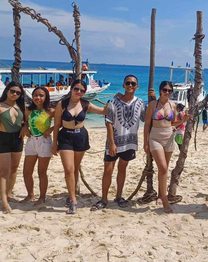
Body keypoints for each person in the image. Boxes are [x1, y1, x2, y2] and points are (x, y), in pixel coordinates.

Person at [91, 75, 152, 211]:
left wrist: (153, 100)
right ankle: (104, 198)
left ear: (137, 86)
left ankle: (119, 196)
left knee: (122, 169)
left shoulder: (141, 103)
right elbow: (109, 122)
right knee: (108, 170)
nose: (130, 85)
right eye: (128, 83)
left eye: (133, 83)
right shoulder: (114, 102)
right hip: (115, 142)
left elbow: (146, 118)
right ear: (123, 85)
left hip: (130, 142)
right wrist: (112, 143)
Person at [51, 80, 107, 214]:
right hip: (65, 137)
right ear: (71, 89)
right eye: (76, 89)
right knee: (69, 169)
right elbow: (57, 125)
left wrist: (114, 101)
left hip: (80, 136)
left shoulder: (86, 104)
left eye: (82, 90)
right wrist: (54, 144)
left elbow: (104, 111)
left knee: (75, 168)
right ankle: (73, 200)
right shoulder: (62, 104)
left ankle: (72, 194)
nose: (79, 92)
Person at [144, 81, 190, 213]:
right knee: (163, 167)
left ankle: (160, 194)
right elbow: (147, 123)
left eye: (170, 91)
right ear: (160, 91)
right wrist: (145, 142)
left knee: (164, 169)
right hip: (155, 137)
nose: (168, 93)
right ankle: (164, 200)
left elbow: (173, 123)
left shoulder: (173, 105)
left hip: (169, 137)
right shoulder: (153, 105)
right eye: (165, 90)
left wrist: (183, 120)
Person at [0, 82, 26, 213]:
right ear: (7, 91)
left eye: (18, 92)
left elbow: (26, 121)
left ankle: (9, 194)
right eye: (12, 91)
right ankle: (4, 201)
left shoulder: (21, 106)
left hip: (18, 139)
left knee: (14, 168)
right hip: (4, 138)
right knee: (4, 172)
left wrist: (25, 127)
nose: (15, 94)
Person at [20, 87, 55, 207]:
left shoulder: (50, 111)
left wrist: (50, 129)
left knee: (42, 172)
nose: (38, 98)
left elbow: (61, 123)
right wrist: (24, 127)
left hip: (44, 142)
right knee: (26, 171)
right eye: (35, 95)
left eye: (41, 95)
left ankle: (42, 197)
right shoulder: (28, 110)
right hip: (31, 141)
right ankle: (30, 195)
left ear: (46, 97)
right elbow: (24, 122)